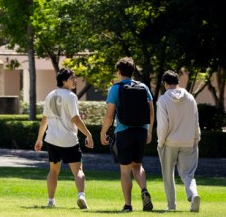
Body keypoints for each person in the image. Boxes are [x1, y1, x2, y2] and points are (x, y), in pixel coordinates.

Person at [34, 67, 95, 209]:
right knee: (78, 170)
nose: (74, 80)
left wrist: (39, 139)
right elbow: (76, 119)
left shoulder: (50, 95)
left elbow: (44, 120)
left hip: (52, 140)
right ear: (63, 80)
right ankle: (81, 195)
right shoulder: (71, 96)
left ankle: (50, 201)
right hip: (68, 140)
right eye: (71, 78)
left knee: (53, 171)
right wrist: (88, 134)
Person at [100, 57, 155, 212]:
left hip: (124, 132)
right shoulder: (143, 87)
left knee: (125, 170)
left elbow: (109, 115)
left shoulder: (115, 89)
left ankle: (128, 205)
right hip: (141, 131)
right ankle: (144, 190)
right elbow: (151, 110)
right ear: (133, 71)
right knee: (138, 166)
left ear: (119, 71)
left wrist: (103, 132)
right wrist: (149, 131)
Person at [156, 70, 201, 212]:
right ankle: (193, 195)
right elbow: (196, 121)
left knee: (168, 175)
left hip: (169, 142)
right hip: (188, 141)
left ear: (165, 84)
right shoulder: (190, 98)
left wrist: (160, 142)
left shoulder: (163, 99)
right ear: (178, 83)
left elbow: (163, 125)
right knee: (187, 174)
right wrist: (195, 139)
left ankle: (171, 205)